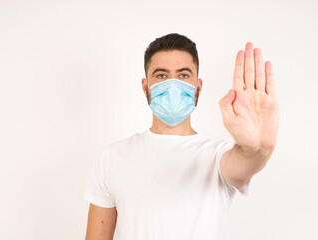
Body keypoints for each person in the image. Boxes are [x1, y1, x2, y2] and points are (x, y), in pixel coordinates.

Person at [84, 33, 279, 240]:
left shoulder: (217, 156)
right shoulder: (112, 157)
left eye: (184, 75)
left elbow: (245, 161)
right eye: (161, 75)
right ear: (145, 87)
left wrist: (257, 148)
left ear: (198, 88)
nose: (173, 85)